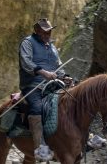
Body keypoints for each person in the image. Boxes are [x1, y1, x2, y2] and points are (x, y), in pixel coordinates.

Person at [18, 18, 67, 162]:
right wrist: (43, 73)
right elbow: (26, 62)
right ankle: (40, 147)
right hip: (33, 85)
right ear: (37, 31)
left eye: (49, 31)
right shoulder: (27, 43)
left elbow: (59, 66)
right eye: (45, 31)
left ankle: (85, 138)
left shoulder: (52, 47)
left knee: (73, 100)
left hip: (53, 84)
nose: (48, 34)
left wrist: (66, 77)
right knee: (37, 107)